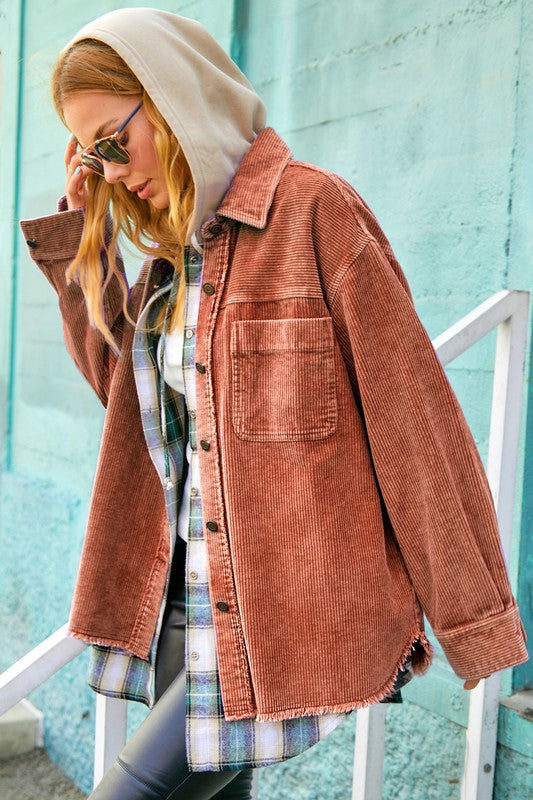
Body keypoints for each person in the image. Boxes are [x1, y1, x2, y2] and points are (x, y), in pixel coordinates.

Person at [20, 8, 528, 800]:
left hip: (265, 623)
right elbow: (125, 402)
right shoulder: (173, 261)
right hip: (174, 614)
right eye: (92, 154)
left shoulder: (316, 213)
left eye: (113, 142)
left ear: (172, 97)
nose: (111, 170)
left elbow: (414, 425)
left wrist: (475, 623)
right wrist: (81, 238)